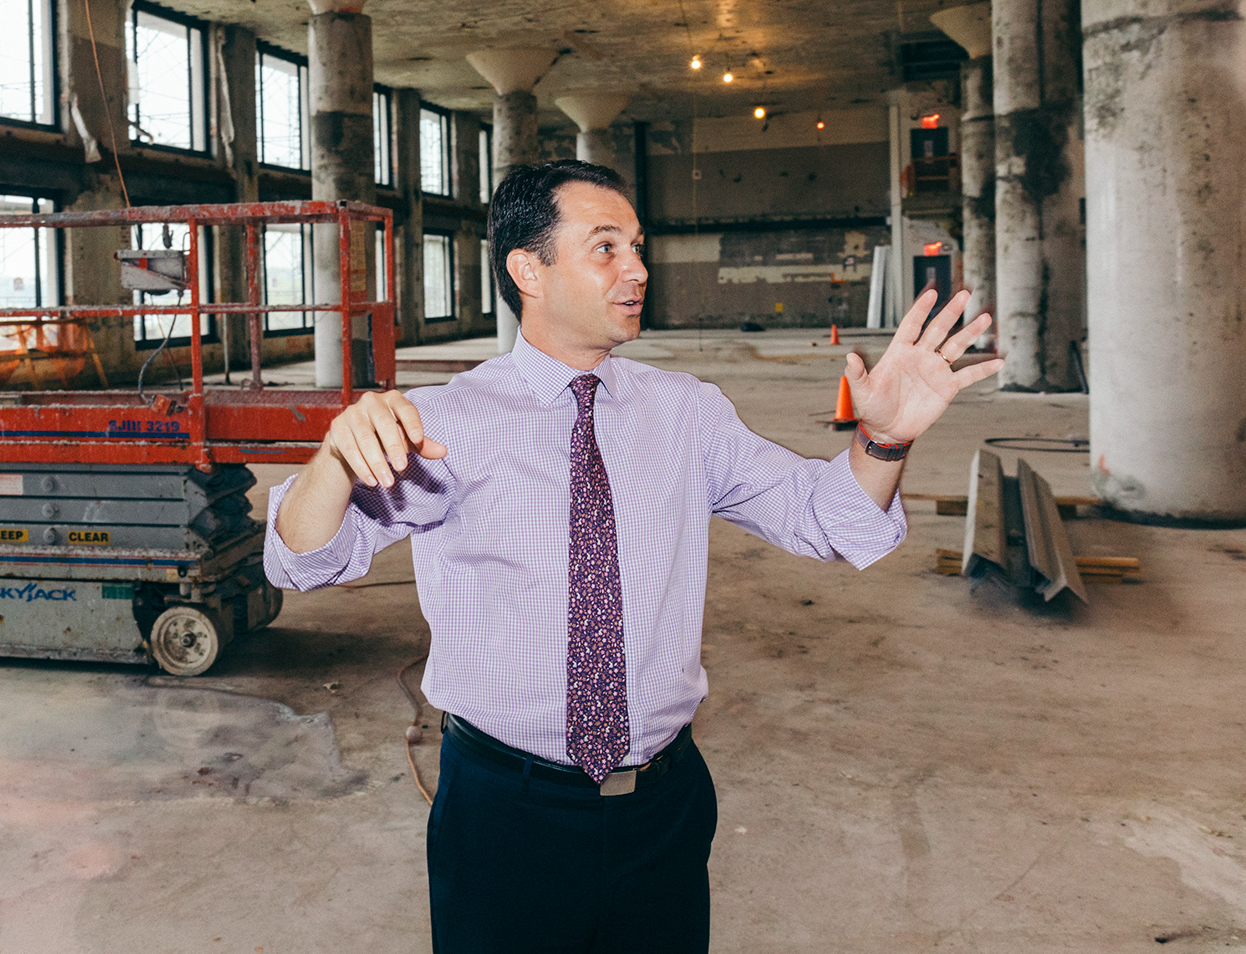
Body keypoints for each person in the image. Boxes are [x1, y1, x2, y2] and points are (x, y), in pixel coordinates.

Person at [264, 160, 1002, 953]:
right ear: (529, 270)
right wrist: (333, 459)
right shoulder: (446, 423)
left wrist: (882, 439)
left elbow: (831, 521)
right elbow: (300, 561)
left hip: (663, 808)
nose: (639, 269)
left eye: (638, 247)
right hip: (505, 815)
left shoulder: (687, 413)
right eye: (606, 247)